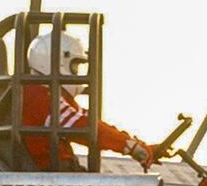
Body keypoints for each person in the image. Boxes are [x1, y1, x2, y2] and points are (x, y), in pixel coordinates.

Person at [22, 32, 153, 171]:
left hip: (58, 174)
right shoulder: (37, 95)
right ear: (57, 61)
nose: (77, 74)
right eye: (75, 66)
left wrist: (135, 145)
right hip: (54, 176)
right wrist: (129, 146)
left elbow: (87, 120)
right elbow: (83, 126)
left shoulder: (44, 94)